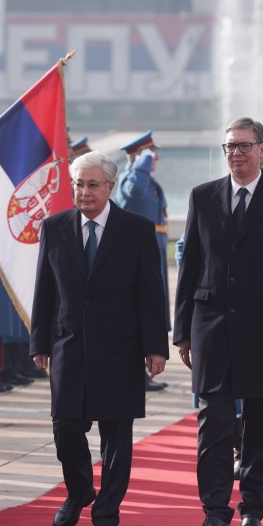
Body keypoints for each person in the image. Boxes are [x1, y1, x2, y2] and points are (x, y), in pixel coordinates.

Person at [173, 117, 263, 526]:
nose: (236, 153)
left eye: (245, 146)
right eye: (229, 146)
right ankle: (215, 512)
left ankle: (253, 512)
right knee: (212, 424)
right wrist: (182, 332)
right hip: (212, 329)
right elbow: (190, 267)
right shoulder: (203, 197)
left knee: (258, 427)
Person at [30, 151, 169, 526]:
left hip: (120, 348)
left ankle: (107, 516)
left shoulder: (136, 229)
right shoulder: (54, 227)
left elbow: (151, 293)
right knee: (66, 427)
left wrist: (155, 347)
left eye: (93, 184)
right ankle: (79, 491)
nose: (85, 192)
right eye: (78, 184)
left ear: (110, 187)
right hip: (69, 344)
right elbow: (45, 289)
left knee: (116, 435)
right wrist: (39, 341)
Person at [113, 131, 169, 392]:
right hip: (138, 258)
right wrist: (141, 163)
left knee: (151, 312)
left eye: (154, 155)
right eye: (150, 154)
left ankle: (143, 373)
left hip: (153, 253)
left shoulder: (148, 181)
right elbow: (133, 192)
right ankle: (135, 374)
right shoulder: (130, 178)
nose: (155, 159)